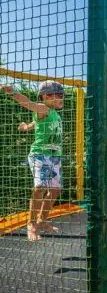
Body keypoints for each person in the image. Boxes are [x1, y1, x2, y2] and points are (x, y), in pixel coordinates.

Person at [0, 81, 64, 241]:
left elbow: (37, 122)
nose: (58, 98)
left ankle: (42, 220)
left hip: (55, 156)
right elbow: (28, 103)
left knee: (55, 190)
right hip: (40, 155)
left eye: (60, 95)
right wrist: (12, 92)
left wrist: (26, 127)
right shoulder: (43, 108)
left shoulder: (53, 114)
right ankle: (31, 224)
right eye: (52, 95)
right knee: (40, 187)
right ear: (44, 97)